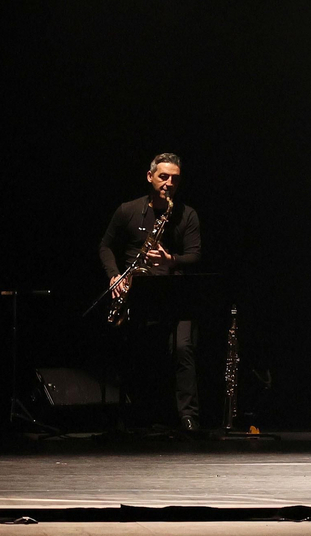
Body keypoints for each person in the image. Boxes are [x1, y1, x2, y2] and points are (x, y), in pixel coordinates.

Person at [98, 152, 202, 431]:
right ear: (150, 176)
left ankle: (188, 417)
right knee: (139, 350)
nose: (169, 183)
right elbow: (105, 246)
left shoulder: (187, 214)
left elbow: (195, 256)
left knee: (182, 349)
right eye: (163, 176)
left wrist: (171, 261)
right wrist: (114, 276)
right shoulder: (127, 210)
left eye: (175, 179)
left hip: (175, 291)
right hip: (139, 291)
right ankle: (135, 416)